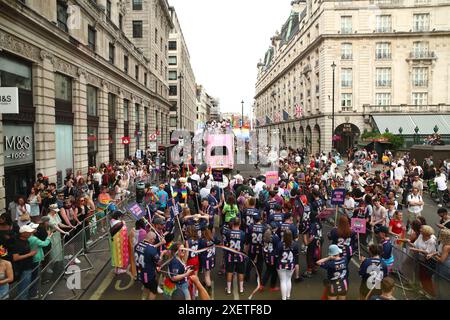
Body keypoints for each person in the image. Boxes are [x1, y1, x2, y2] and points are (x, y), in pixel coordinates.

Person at [134, 231, 164, 300]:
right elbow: (159, 262)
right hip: (148, 274)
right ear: (151, 239)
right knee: (153, 290)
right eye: (154, 239)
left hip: (139, 272)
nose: (154, 241)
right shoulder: (151, 249)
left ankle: (143, 298)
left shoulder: (137, 245)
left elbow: (146, 250)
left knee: (146, 286)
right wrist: (162, 254)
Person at [10, 225, 38, 300]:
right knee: (24, 288)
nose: (30, 233)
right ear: (23, 233)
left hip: (27, 266)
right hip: (23, 268)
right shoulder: (17, 243)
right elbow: (15, 258)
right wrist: (30, 254)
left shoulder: (26, 240)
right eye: (28, 232)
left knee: (25, 286)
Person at [223, 218, 246, 295]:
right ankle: (241, 289)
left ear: (233, 224)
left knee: (229, 272)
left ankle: (229, 289)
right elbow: (244, 244)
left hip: (230, 255)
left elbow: (225, 243)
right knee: (240, 272)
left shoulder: (228, 232)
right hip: (240, 255)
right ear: (239, 224)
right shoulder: (242, 233)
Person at [427, 229, 450, 300]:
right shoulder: (443, 243)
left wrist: (434, 256)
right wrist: (433, 253)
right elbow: (439, 252)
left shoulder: (447, 246)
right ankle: (438, 296)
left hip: (445, 265)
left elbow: (442, 260)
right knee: (437, 279)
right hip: (440, 264)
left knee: (442, 282)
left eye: (441, 234)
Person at [276, 229, 298, 300]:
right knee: (288, 280)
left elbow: (277, 255)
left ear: (283, 235)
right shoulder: (295, 244)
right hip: (291, 264)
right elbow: (295, 254)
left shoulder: (280, 244)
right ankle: (288, 296)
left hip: (281, 264)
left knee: (282, 281)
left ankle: (284, 298)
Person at [110, 210, 130, 275]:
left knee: (115, 255)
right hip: (119, 243)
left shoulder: (111, 221)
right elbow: (124, 232)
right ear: (118, 216)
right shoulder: (120, 223)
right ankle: (118, 270)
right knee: (119, 255)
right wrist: (124, 224)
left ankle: (116, 269)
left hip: (113, 241)